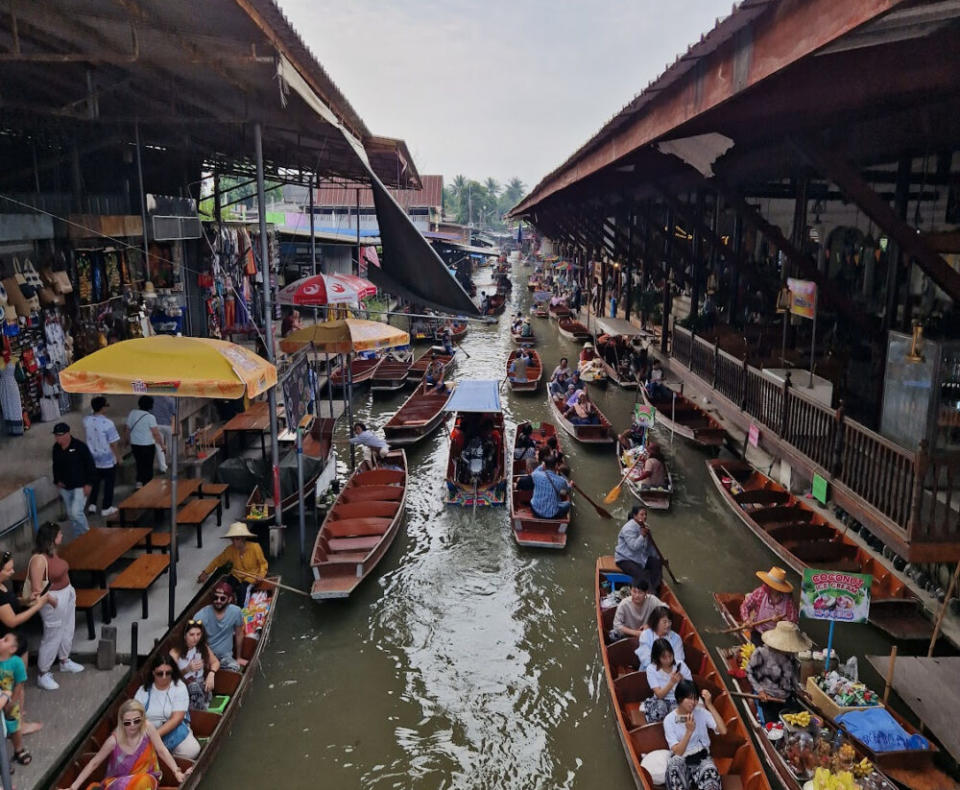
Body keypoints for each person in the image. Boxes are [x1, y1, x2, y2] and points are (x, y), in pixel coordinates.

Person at [61, 698, 190, 790]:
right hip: (118, 784)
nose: (133, 726)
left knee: (142, 781)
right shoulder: (113, 740)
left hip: (146, 780)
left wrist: (176, 771)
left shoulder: (148, 729)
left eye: (136, 721)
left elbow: (162, 750)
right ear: (121, 722)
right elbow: (94, 763)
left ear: (142, 719)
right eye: (127, 723)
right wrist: (73, 788)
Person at [28, 522, 83, 691]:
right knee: (53, 635)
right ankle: (43, 673)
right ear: (52, 538)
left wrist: (69, 591)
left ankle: (64, 661)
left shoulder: (53, 553)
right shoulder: (39, 559)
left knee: (68, 628)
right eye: (59, 534)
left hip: (66, 592)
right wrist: (52, 600)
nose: (62, 536)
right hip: (54, 599)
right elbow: (36, 589)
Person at [133, 653, 201, 759]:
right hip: (147, 733)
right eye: (160, 674)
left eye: (168, 673)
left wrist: (155, 736)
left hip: (173, 730)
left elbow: (176, 719)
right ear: (153, 673)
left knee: (192, 750)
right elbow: (134, 716)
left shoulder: (179, 687)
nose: (164, 677)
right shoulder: (143, 691)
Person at [663, 681, 726, 790]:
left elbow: (723, 730)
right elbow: (678, 752)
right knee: (674, 764)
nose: (693, 702)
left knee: (709, 769)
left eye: (695, 698)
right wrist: (689, 732)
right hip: (682, 759)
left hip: (701, 757)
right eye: (689, 698)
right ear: (679, 698)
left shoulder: (701, 712)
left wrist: (709, 705)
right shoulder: (669, 720)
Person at [745, 620, 811, 724]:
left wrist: (799, 690)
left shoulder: (791, 656)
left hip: (786, 697)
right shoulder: (761, 653)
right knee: (772, 727)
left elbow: (792, 676)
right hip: (768, 699)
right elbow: (749, 672)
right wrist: (760, 691)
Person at [197, 522, 268, 603]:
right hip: (237, 575)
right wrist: (206, 572)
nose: (234, 541)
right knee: (226, 588)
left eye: (237, 539)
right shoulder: (229, 550)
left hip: (252, 576)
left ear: (243, 538)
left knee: (243, 589)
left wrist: (261, 574)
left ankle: (242, 610)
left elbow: (263, 563)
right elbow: (218, 561)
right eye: (232, 539)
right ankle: (226, 605)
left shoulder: (255, 547)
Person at [191, 581, 246, 672]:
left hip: (225, 657)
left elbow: (239, 633)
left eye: (222, 598)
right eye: (215, 598)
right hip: (206, 657)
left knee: (234, 669)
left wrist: (238, 657)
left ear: (229, 599)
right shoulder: (201, 616)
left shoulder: (236, 612)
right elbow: (194, 641)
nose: (218, 601)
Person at [52, 422, 95, 536]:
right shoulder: (56, 448)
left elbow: (90, 465)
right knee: (71, 515)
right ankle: (78, 537)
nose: (58, 438)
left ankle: (87, 534)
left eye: (60, 435)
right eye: (56, 435)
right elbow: (55, 465)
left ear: (67, 434)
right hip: (65, 487)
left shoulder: (80, 447)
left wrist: (89, 484)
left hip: (80, 486)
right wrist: (57, 480)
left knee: (76, 513)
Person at [739, 566, 799, 646]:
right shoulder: (761, 592)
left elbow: (793, 622)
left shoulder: (788, 600)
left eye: (769, 584)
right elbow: (745, 606)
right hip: (759, 632)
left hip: (778, 637)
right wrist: (747, 620)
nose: (766, 585)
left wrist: (780, 621)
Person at [169, 619, 220, 711]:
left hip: (201, 683)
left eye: (198, 634)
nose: (196, 638)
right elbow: (172, 678)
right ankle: (199, 712)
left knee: (200, 687)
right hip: (184, 686)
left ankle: (203, 709)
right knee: (194, 687)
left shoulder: (202, 647)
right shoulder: (175, 653)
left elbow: (215, 662)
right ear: (185, 636)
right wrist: (187, 669)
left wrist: (211, 674)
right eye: (192, 635)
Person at [83, 396, 121, 518]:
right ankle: (106, 507)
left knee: (95, 483)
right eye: (105, 406)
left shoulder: (86, 420)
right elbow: (113, 443)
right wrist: (118, 457)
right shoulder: (108, 423)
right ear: (103, 408)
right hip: (107, 460)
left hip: (92, 459)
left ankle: (92, 505)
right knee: (109, 484)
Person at [643, 637, 693, 723]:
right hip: (661, 700)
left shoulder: (680, 664)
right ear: (657, 658)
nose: (668, 660)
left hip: (678, 700)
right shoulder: (651, 669)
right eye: (664, 658)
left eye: (670, 656)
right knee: (660, 710)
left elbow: (691, 689)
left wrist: (682, 680)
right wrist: (671, 683)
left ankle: (670, 724)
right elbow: (659, 695)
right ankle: (660, 725)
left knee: (679, 718)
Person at [0, 632, 32, 766]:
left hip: (10, 701)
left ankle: (18, 749)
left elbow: (19, 684)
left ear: (12, 649)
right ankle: (3, 761)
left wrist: (13, 702)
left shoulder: (16, 663)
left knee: (14, 727)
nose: (0, 639)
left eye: (5, 640)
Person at [615, 506, 663, 590]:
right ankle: (641, 593)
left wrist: (659, 558)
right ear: (635, 516)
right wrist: (642, 536)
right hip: (625, 559)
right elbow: (634, 547)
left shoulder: (646, 527)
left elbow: (650, 546)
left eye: (645, 515)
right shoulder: (628, 528)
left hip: (639, 558)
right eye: (642, 514)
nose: (644, 517)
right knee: (641, 575)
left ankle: (654, 590)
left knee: (656, 563)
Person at [126, 396, 165, 488]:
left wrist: (126, 440)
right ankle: (147, 484)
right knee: (148, 465)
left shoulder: (132, 413)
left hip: (135, 444)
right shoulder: (150, 417)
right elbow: (156, 433)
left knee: (139, 463)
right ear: (150, 405)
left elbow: (127, 429)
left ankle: (139, 483)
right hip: (147, 445)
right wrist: (162, 445)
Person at [530, 455, 571, 520]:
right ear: (556, 466)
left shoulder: (536, 474)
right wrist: (570, 485)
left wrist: (542, 466)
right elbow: (567, 491)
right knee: (567, 504)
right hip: (551, 515)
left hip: (534, 510)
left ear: (545, 466)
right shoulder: (561, 481)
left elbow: (535, 472)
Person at [151, 396, 177, 474]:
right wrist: (173, 427)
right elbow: (173, 415)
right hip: (168, 425)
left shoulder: (152, 399)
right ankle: (174, 464)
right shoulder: (171, 400)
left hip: (156, 425)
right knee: (172, 445)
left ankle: (163, 468)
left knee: (159, 446)